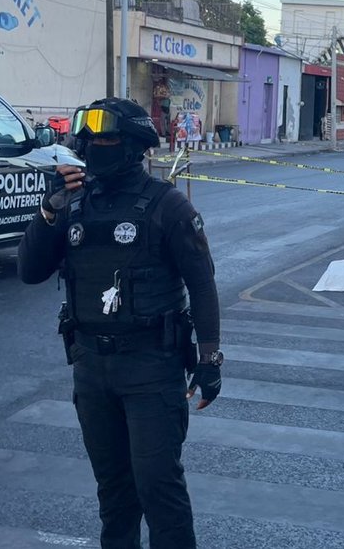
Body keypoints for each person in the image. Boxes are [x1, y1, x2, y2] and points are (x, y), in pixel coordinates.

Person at [18, 97, 221, 549]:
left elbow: (203, 286)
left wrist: (209, 359)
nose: (92, 148)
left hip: (152, 369)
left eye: (105, 139)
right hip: (91, 369)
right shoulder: (71, 205)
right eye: (86, 140)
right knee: (114, 496)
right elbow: (29, 271)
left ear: (132, 146)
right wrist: (47, 211)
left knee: (158, 490)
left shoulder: (168, 207)